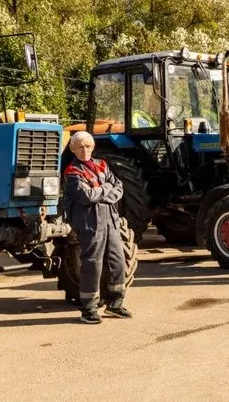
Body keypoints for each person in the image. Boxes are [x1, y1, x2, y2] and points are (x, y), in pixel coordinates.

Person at [63, 131, 132, 324]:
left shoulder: (102, 165)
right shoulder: (72, 172)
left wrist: (101, 192)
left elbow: (118, 187)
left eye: (87, 146)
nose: (84, 150)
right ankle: (89, 309)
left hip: (110, 220)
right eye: (80, 147)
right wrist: (106, 189)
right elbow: (85, 197)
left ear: (93, 147)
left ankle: (115, 304)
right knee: (93, 265)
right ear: (73, 149)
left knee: (118, 261)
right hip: (89, 222)